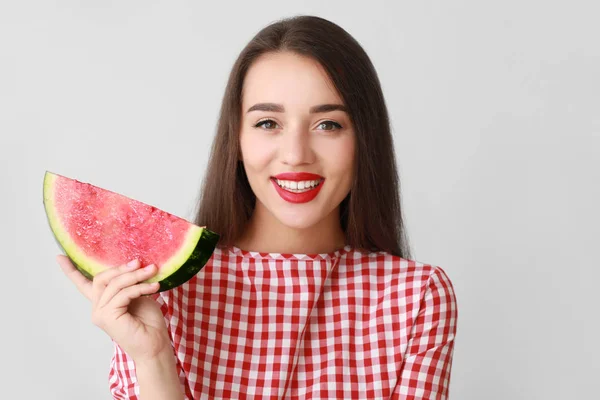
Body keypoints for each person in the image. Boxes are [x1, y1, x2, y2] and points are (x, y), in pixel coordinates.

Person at [57, 15, 458, 399]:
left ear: (364, 140)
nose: (296, 155)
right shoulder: (162, 288)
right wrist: (153, 358)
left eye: (328, 124)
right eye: (268, 123)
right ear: (237, 141)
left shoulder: (417, 297)